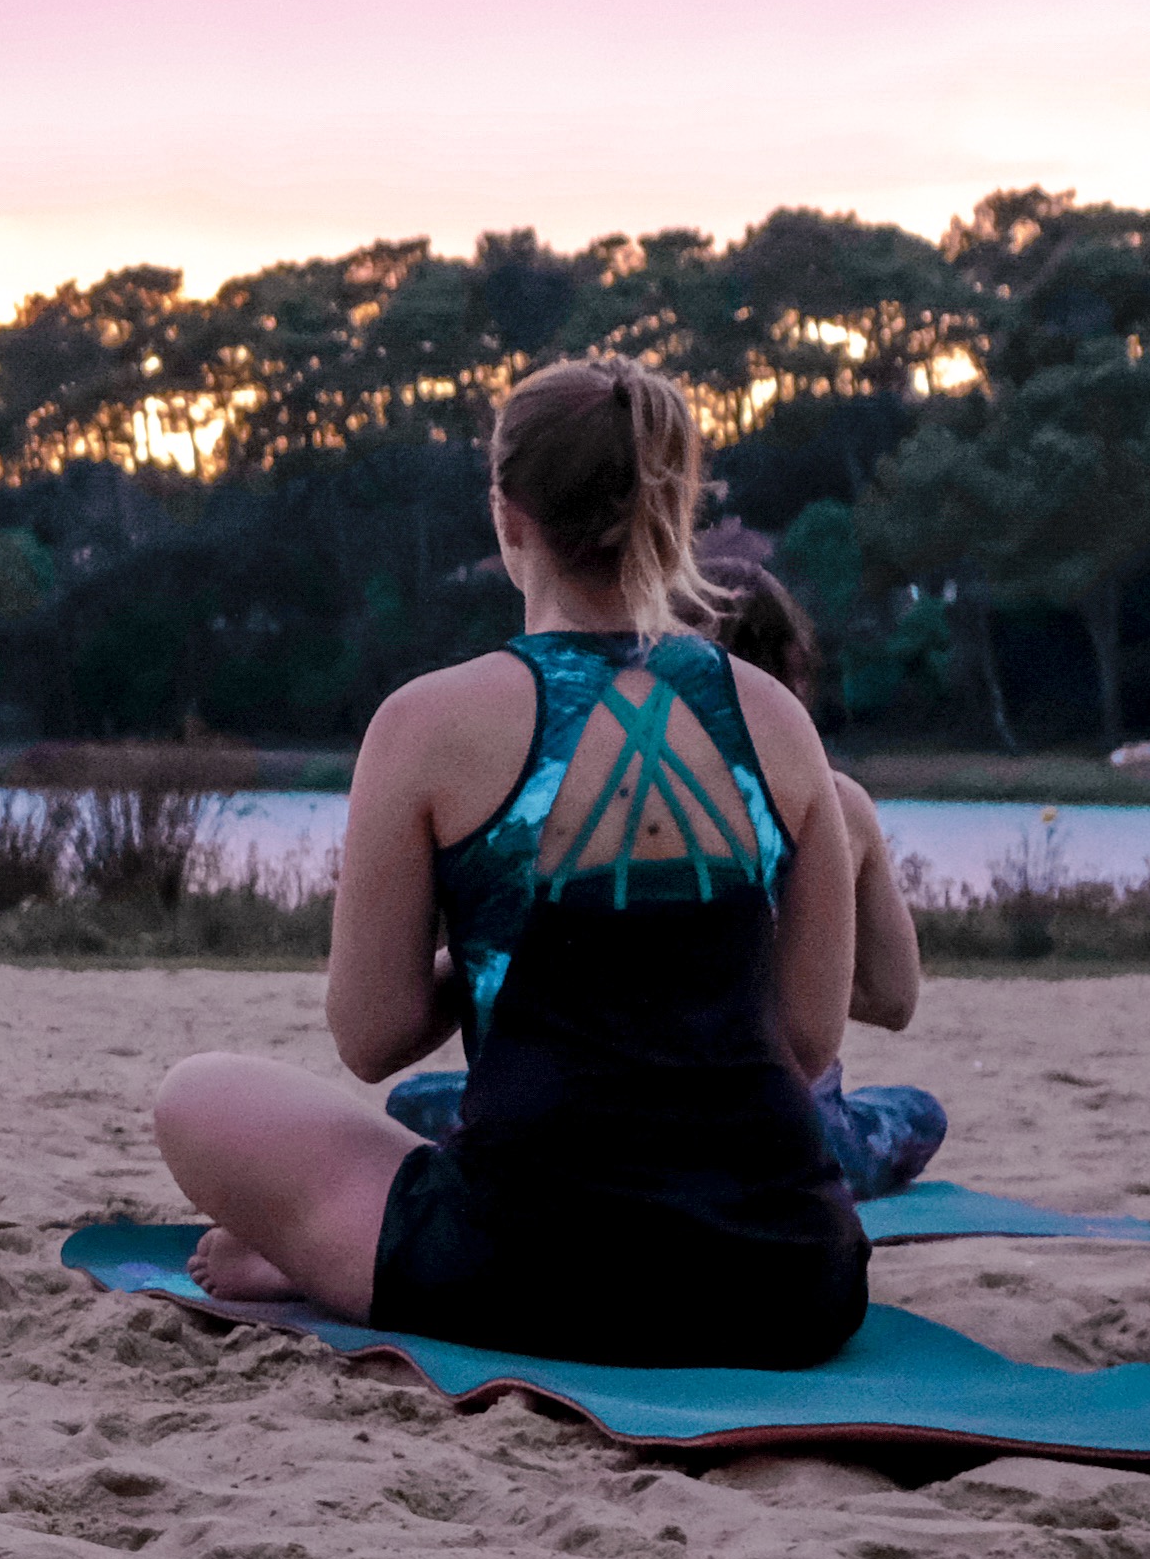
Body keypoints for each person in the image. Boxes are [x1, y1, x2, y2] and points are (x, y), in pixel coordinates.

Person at [149, 358, 867, 1368]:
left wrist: (495, 943)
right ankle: (328, 1253)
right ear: (670, 505)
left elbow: (370, 1034)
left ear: (507, 514)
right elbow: (803, 1038)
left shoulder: (426, 723)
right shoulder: (776, 721)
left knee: (196, 1092)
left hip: (530, 1269)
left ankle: (321, 1260)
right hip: (788, 1278)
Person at [381, 553, 946, 1192]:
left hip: (589, 1120)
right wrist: (776, 975)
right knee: (918, 1114)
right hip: (786, 1130)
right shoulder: (837, 802)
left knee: (421, 1100)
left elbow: (402, 1003)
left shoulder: (582, 803)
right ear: (792, 661)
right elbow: (894, 998)